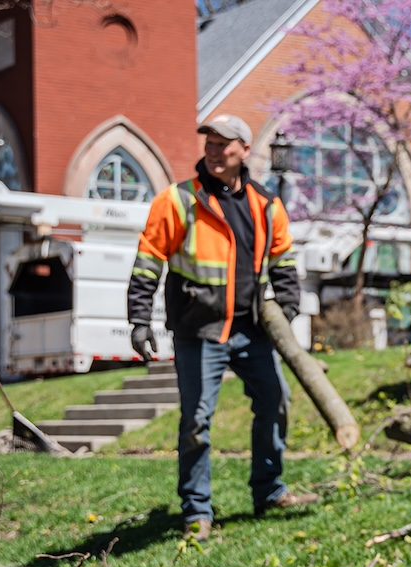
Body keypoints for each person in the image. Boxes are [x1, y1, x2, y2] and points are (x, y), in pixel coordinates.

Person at [127, 113, 317, 541]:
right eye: (209, 144)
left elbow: (284, 262)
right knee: (196, 419)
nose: (214, 152)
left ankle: (269, 490)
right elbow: (148, 259)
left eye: (223, 144)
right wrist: (139, 319)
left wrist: (286, 309)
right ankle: (197, 510)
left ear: (244, 151)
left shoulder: (267, 205)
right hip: (199, 330)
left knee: (276, 402)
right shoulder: (178, 200)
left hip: (252, 331)